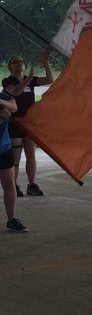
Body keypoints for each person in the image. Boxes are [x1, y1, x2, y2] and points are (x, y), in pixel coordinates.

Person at [2, 49, 54, 197]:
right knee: (15, 156)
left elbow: (49, 80)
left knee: (31, 153)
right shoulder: (7, 81)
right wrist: (28, 79)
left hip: (30, 123)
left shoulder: (30, 79)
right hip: (15, 122)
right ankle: (14, 185)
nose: (19, 63)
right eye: (15, 62)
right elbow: (15, 92)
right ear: (10, 67)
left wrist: (46, 63)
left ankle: (32, 184)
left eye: (21, 61)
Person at [1, 87, 27, 232]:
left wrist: (1, 104)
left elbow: (14, 107)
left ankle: (11, 219)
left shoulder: (4, 97)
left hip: (3, 149)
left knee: (9, 185)